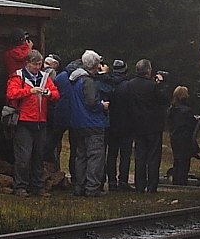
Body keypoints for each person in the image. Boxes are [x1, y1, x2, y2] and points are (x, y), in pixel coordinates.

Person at [7, 49, 58, 197]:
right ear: (27, 63)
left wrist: (49, 94)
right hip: (24, 121)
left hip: (41, 121)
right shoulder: (18, 76)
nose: (37, 67)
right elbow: (11, 93)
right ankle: (20, 186)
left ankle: (38, 186)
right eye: (35, 64)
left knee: (38, 156)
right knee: (23, 157)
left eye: (39, 64)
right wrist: (29, 92)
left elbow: (56, 94)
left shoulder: (45, 77)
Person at [63, 50, 108, 197]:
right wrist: (102, 106)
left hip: (77, 123)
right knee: (95, 156)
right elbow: (91, 103)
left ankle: (79, 186)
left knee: (81, 156)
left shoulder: (74, 79)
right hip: (92, 123)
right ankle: (92, 188)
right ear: (95, 65)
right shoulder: (88, 82)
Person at [127, 60, 173, 193]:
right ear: (148, 70)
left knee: (140, 156)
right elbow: (165, 99)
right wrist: (162, 84)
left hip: (137, 124)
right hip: (153, 125)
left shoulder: (130, 84)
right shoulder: (153, 86)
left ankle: (139, 185)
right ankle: (152, 186)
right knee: (153, 156)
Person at [105, 59, 134, 191]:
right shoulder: (128, 86)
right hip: (126, 124)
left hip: (111, 123)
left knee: (111, 154)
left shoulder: (108, 83)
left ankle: (111, 181)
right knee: (125, 154)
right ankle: (123, 181)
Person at [166, 86, 199, 186]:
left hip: (174, 136)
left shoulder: (171, 109)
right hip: (185, 137)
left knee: (177, 160)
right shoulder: (186, 111)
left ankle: (175, 181)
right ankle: (182, 182)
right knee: (184, 162)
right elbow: (192, 124)